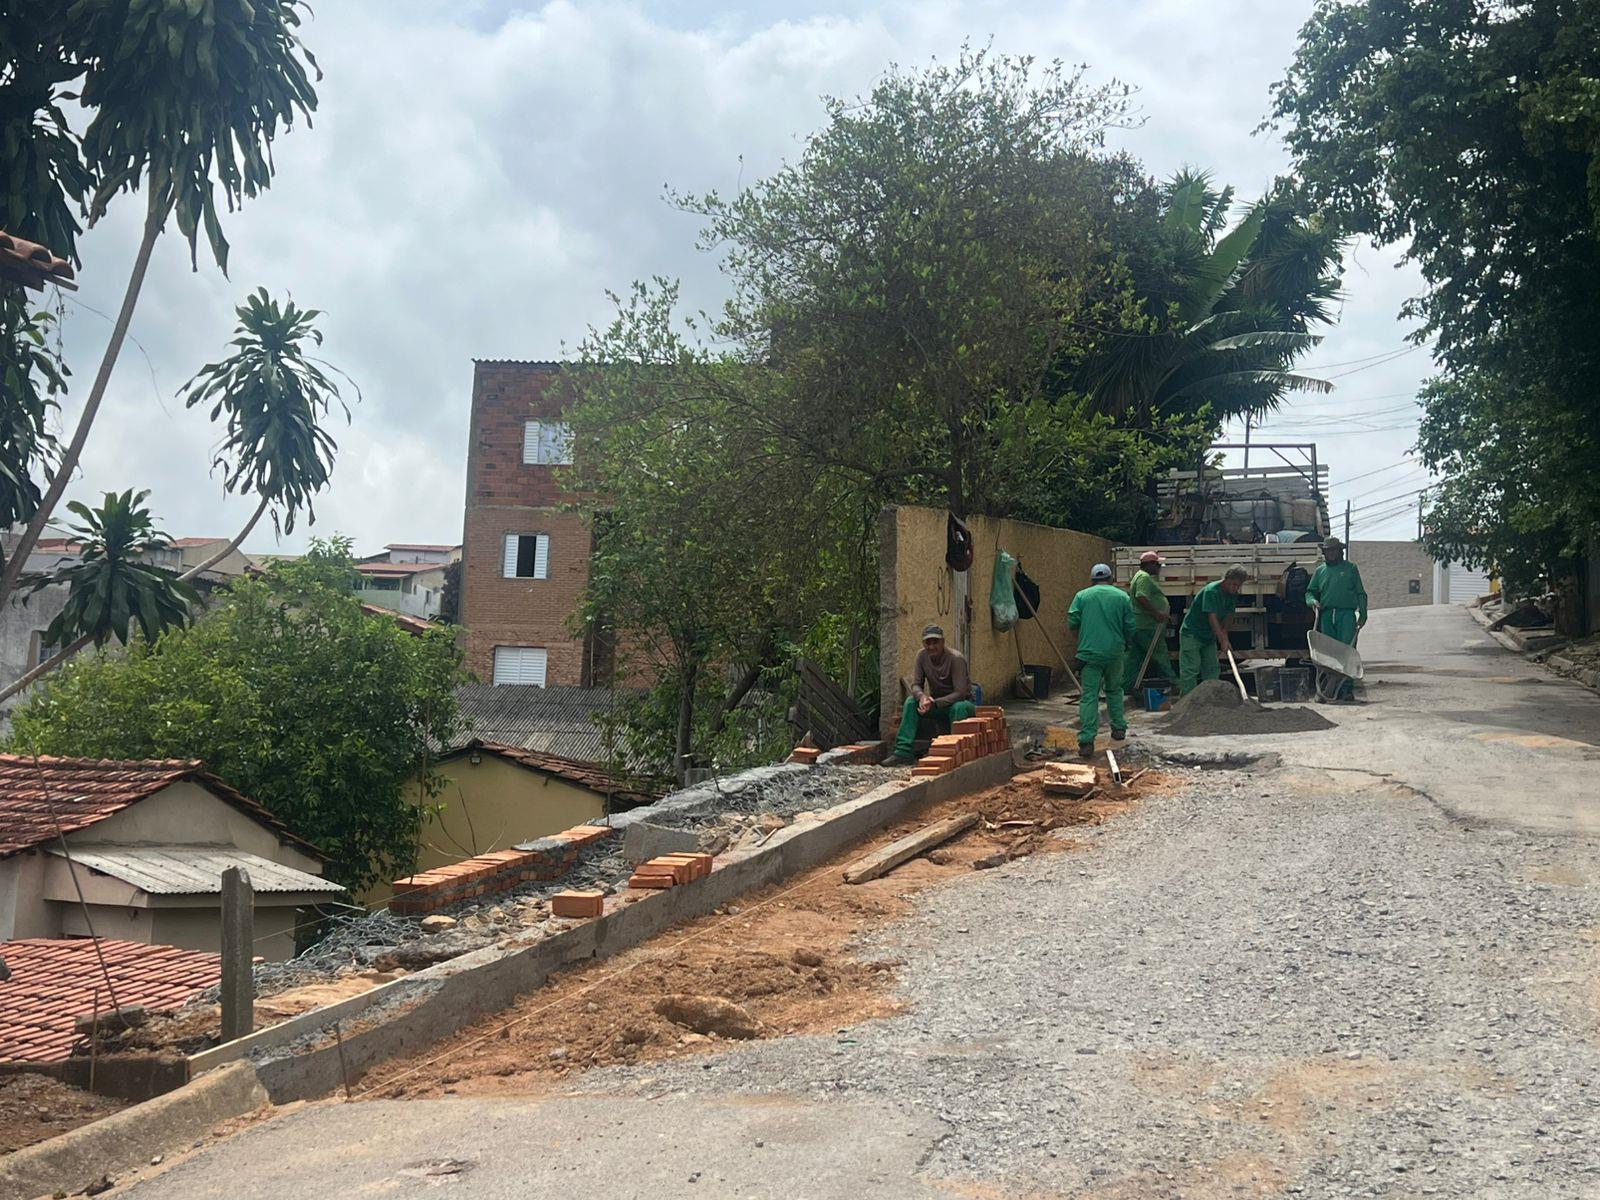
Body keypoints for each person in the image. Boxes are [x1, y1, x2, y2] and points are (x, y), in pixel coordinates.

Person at [1068, 563, 1135, 759]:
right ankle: (1119, 729)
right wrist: (1125, 642)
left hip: (1089, 654)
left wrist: (1082, 640)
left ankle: (1087, 741)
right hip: (1114, 652)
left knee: (1089, 695)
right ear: (1110, 578)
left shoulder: (1082, 596)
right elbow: (1130, 626)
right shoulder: (1122, 597)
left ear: (1092, 579)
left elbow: (1072, 622)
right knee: (1114, 690)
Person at [885, 624, 976, 765]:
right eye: (928, 642)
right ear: (923, 643)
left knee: (959, 707)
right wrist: (922, 698)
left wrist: (935, 703)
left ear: (943, 642)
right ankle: (903, 752)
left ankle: (955, 752)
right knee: (910, 702)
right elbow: (916, 684)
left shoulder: (955, 659)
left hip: (961, 704)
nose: (932, 646)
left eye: (935, 642)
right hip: (937, 704)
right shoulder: (921, 656)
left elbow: (960, 693)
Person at [1306, 536, 1368, 701]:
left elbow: (1360, 593)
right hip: (1326, 615)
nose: (1330, 554)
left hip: (1346, 615)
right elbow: (1310, 592)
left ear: (1340, 551)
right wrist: (1312, 601)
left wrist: (1363, 613)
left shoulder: (1351, 568)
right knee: (1328, 654)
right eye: (1327, 551)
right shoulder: (1320, 571)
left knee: (1347, 651)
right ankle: (1330, 687)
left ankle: (1346, 689)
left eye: (1333, 550)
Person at [1178, 565, 1248, 695]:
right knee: (1191, 669)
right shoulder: (1211, 591)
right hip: (1192, 633)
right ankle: (1187, 702)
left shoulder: (1233, 595)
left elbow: (1228, 616)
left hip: (1208, 636)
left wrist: (1225, 636)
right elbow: (1212, 617)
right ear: (1226, 579)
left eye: (1239, 585)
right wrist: (1221, 639)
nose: (1236, 588)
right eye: (1234, 584)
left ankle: (1212, 701)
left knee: (1212, 669)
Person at [1123, 550, 1176, 696]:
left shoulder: (1140, 577)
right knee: (1160, 654)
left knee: (1135, 657)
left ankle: (1126, 686)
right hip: (1147, 625)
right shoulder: (1144, 578)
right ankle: (1172, 682)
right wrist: (1156, 613)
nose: (1159, 567)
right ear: (1150, 564)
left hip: (1141, 624)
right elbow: (1141, 596)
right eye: (1157, 564)